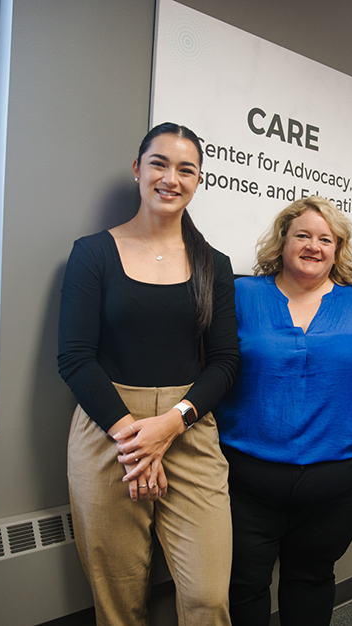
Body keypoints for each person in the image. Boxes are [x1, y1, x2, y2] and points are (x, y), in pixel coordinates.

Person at [57, 122, 239, 626]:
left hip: (189, 428)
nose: (171, 178)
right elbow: (74, 357)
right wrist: (135, 440)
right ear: (138, 169)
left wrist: (169, 425)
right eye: (159, 163)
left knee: (207, 597)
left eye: (186, 169)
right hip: (107, 430)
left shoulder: (213, 265)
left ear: (198, 180)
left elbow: (225, 363)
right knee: (118, 604)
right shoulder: (92, 253)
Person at [213, 196, 352, 626]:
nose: (313, 246)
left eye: (325, 239)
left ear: (338, 249)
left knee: (312, 577)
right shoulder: (242, 295)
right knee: (244, 581)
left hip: (338, 478)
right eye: (302, 235)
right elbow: (212, 366)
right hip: (246, 475)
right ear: (283, 241)